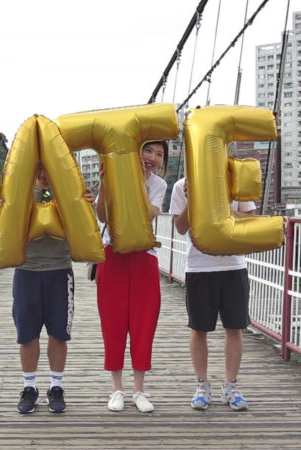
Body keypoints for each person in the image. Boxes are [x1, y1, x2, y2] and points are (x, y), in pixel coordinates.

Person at [0, 166, 94, 414]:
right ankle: (29, 387)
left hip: (60, 270)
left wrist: (88, 205)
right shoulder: (18, 192)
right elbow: (4, 228)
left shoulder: (69, 191)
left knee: (59, 334)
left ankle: (56, 386)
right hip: (26, 270)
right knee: (27, 335)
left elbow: (85, 226)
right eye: (37, 165)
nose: (43, 172)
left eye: (47, 165)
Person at [168, 177, 255, 411]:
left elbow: (249, 220)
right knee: (199, 329)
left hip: (233, 265)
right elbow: (180, 227)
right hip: (199, 266)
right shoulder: (182, 185)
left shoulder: (236, 179)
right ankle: (202, 384)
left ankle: (231, 386)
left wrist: (221, 198)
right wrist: (194, 197)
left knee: (234, 328)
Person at [94, 140, 168, 413]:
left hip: (144, 257)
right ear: (137, 152)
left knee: (143, 325)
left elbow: (149, 214)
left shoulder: (158, 185)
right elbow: (102, 215)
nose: (152, 157)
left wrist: (136, 181)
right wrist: (105, 184)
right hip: (112, 255)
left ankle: (139, 390)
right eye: (148, 151)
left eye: (159, 154)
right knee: (113, 324)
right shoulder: (113, 176)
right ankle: (116, 390)